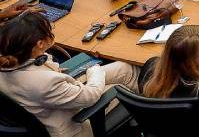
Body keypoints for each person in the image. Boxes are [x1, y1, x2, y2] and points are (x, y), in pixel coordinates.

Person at [0, 11, 140, 137]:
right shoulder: (44, 82)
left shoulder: (11, 64)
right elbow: (90, 97)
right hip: (75, 124)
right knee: (122, 87)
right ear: (40, 43)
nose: (51, 31)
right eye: (49, 29)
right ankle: (151, 114)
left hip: (54, 100)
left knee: (124, 69)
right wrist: (95, 70)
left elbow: (44, 75)